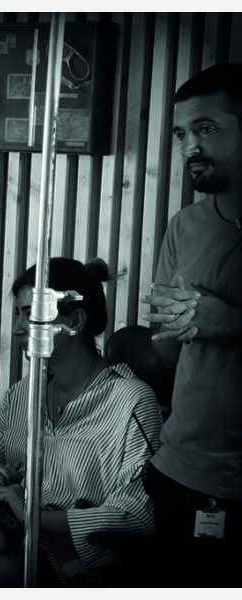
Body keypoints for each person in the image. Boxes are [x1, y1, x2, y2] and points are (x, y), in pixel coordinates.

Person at [0, 258, 162, 587]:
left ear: (75, 321)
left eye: (31, 315)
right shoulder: (24, 394)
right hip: (17, 539)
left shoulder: (132, 400)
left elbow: (138, 514)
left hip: (80, 558)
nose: (17, 328)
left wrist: (34, 514)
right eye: (18, 314)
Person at [140, 63, 242, 585]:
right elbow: (168, 353)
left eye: (207, 128)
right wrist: (174, 326)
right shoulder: (185, 225)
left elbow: (220, 325)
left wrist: (229, 321)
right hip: (181, 469)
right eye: (181, 133)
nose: (190, 147)